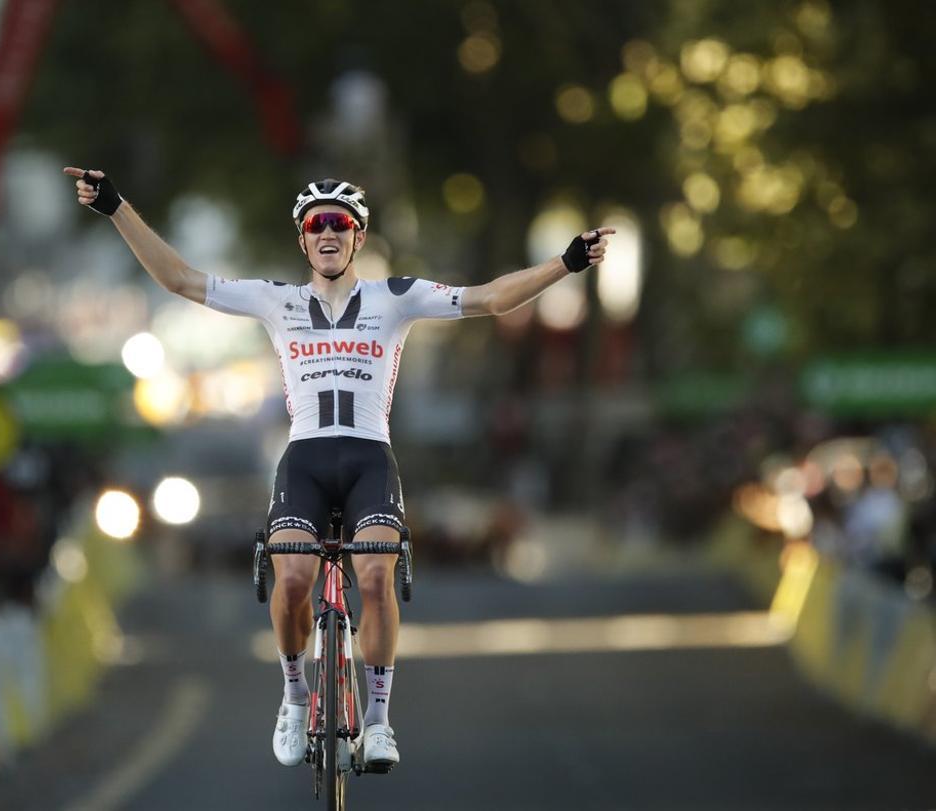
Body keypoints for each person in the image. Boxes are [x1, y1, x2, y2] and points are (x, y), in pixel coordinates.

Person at [63, 167, 612, 770]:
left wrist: (567, 263)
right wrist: (114, 206)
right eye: (315, 224)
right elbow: (179, 279)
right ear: (303, 240)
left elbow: (489, 298)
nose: (328, 232)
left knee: (376, 576)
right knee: (292, 576)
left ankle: (377, 721)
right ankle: (296, 698)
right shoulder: (278, 299)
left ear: (358, 237)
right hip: (305, 459)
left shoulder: (395, 298)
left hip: (369, 458)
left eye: (340, 223)